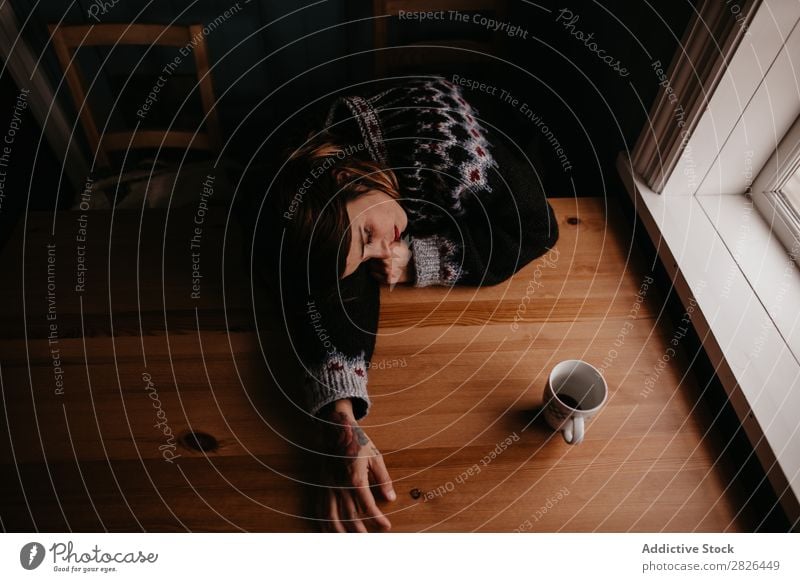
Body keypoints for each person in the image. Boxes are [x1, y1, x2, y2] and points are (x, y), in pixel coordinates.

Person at [255, 77, 559, 532]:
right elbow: (315, 287)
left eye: (367, 238)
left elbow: (536, 229)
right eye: (368, 252)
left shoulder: (448, 155)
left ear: (345, 177)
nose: (383, 252)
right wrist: (340, 418)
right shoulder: (308, 189)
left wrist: (421, 258)